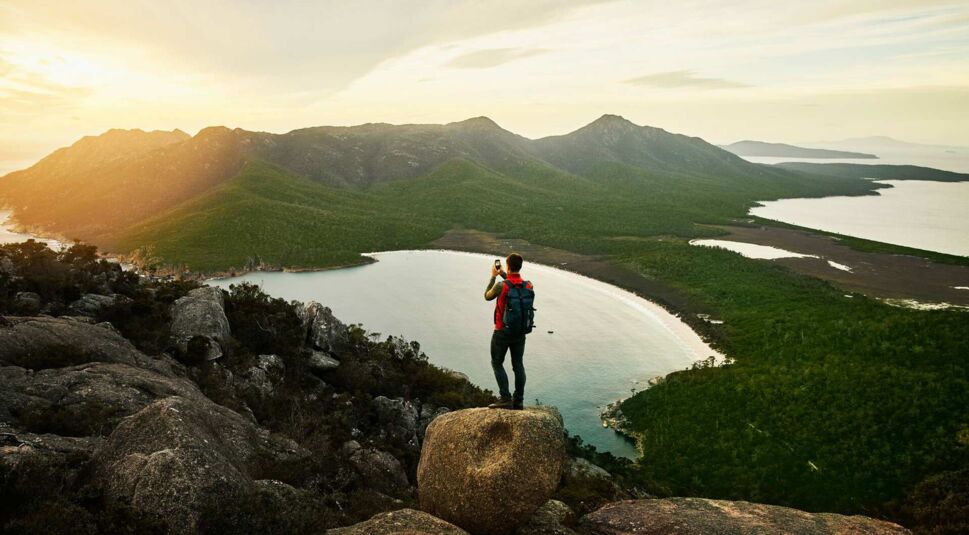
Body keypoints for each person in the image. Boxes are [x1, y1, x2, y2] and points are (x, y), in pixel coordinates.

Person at [484, 252, 534, 410]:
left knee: (497, 363)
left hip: (502, 331)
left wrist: (493, 276)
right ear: (520, 266)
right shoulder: (528, 285)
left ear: (508, 265)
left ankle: (505, 398)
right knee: (518, 364)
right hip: (520, 332)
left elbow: (487, 296)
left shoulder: (501, 285)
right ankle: (518, 400)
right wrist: (503, 274)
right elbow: (513, 284)